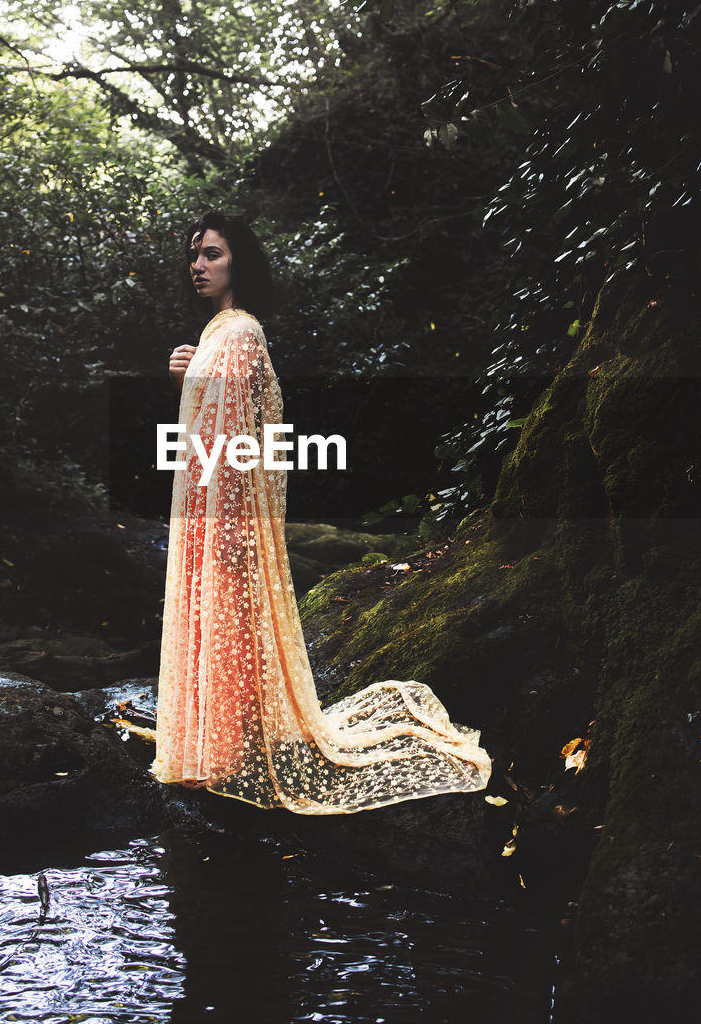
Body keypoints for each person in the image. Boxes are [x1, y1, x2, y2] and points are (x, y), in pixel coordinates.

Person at [150, 210, 492, 812]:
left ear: (239, 264)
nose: (197, 265)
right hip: (212, 502)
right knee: (222, 618)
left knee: (226, 616)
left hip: (222, 506)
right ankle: (222, 743)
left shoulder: (237, 334)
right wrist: (187, 384)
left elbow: (236, 439)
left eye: (212, 254)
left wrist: (224, 520)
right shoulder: (221, 333)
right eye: (195, 255)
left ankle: (225, 748)